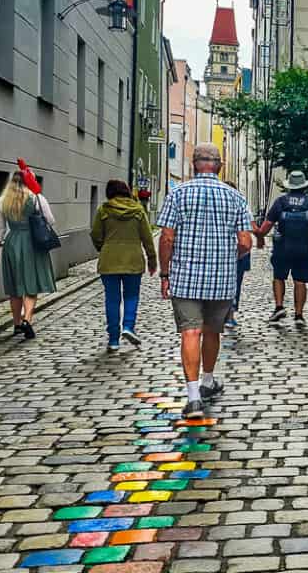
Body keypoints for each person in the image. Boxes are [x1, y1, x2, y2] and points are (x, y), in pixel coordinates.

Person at [157, 143, 253, 418]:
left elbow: (166, 238)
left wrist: (166, 273)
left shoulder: (178, 195)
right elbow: (245, 241)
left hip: (185, 276)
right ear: (219, 166)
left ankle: (193, 397)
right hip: (221, 279)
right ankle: (208, 380)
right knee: (213, 331)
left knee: (190, 332)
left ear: (193, 164)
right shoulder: (235, 197)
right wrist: (225, 255)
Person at [253, 171, 308, 328]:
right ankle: (299, 314)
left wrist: (260, 236)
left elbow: (267, 225)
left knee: (279, 277)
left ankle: (279, 307)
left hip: (282, 248)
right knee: (300, 281)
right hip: (305, 248)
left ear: (290, 186)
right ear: (304, 186)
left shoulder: (281, 202)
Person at [91, 179, 157, 351]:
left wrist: (103, 247)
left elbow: (95, 234)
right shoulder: (138, 210)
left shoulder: (103, 210)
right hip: (133, 260)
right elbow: (147, 238)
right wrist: (152, 259)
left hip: (109, 261)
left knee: (112, 299)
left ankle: (113, 339)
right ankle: (128, 326)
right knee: (131, 296)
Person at [0, 168, 57, 339]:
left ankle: (17, 324)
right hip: (31, 243)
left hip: (12, 243)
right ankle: (27, 319)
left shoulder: (2, 201)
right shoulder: (36, 198)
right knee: (31, 283)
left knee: (15, 287)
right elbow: (50, 220)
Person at [224, 181, 250, 329]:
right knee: (235, 284)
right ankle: (229, 316)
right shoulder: (242, 204)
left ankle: (223, 315)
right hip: (238, 251)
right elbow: (248, 232)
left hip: (225, 251)